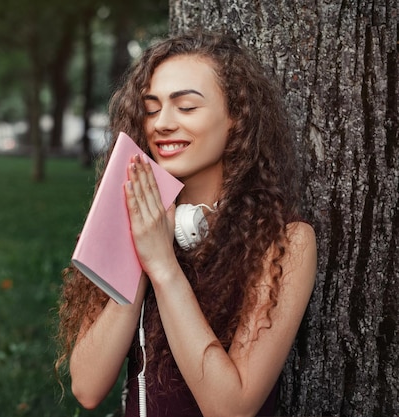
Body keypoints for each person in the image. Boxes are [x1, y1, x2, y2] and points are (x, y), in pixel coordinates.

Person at [55, 29, 317, 417]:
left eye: (186, 107)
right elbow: (87, 387)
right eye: (151, 107)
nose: (161, 123)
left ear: (236, 119)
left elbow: (232, 409)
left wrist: (163, 267)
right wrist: (140, 259)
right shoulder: (137, 222)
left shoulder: (285, 242)